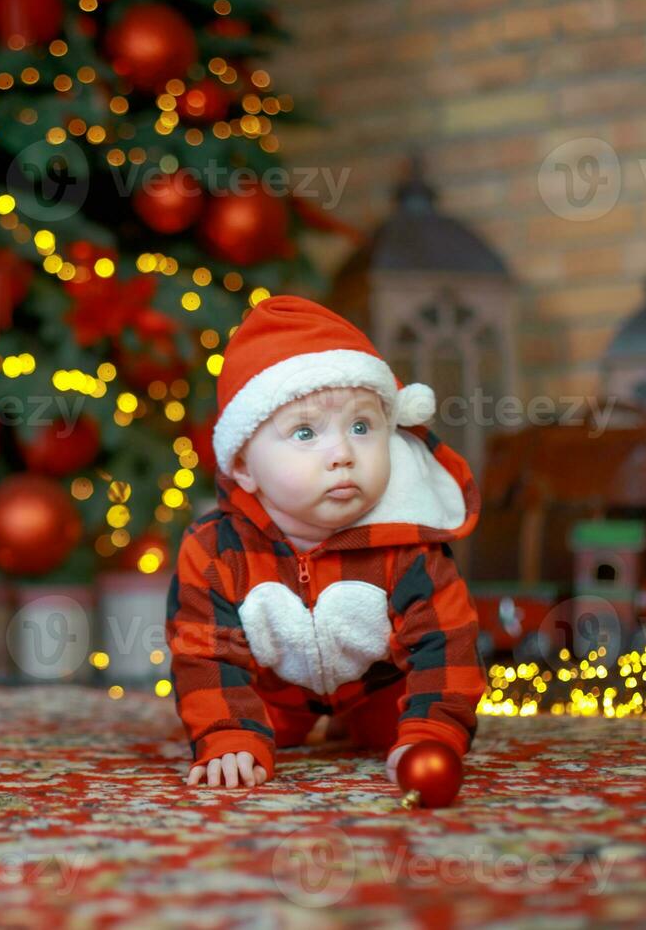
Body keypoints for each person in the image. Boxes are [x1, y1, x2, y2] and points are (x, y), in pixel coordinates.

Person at [167, 294, 485, 791]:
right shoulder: (215, 549)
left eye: (361, 427)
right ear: (245, 467)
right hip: (274, 696)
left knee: (398, 733)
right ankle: (255, 727)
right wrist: (226, 733)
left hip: (383, 689)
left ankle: (378, 720)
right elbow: (204, 653)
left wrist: (431, 728)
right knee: (252, 741)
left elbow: (445, 642)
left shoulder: (405, 543)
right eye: (304, 432)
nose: (342, 454)